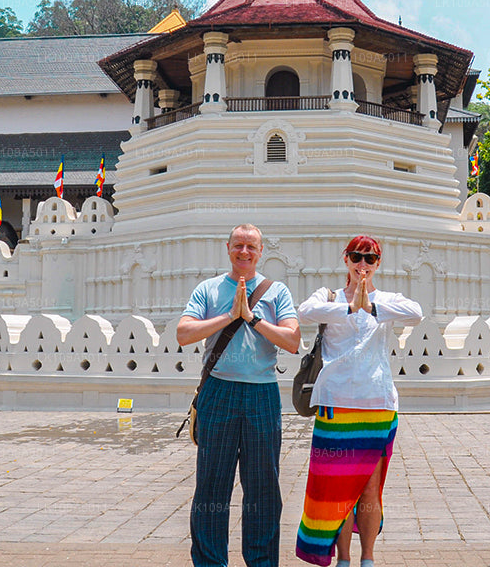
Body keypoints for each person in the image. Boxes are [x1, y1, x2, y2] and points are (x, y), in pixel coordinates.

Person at [177, 224, 302, 567]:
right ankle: (209, 561)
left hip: (262, 393)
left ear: (261, 252)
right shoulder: (209, 289)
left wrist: (252, 318)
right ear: (227, 248)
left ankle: (261, 561)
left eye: (251, 246)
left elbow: (293, 341)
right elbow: (184, 333)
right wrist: (229, 316)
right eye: (238, 246)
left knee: (263, 486)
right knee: (211, 485)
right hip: (219, 390)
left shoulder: (276, 291)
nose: (244, 252)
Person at [295, 236, 422, 567]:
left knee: (368, 487)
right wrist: (350, 307)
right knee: (337, 490)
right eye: (356, 256)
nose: (362, 264)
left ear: (378, 263)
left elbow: (416, 314)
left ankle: (367, 557)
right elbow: (305, 312)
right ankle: (344, 558)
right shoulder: (329, 297)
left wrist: (372, 307)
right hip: (335, 404)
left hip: (376, 404)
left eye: (369, 258)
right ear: (346, 259)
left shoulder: (386, 299)